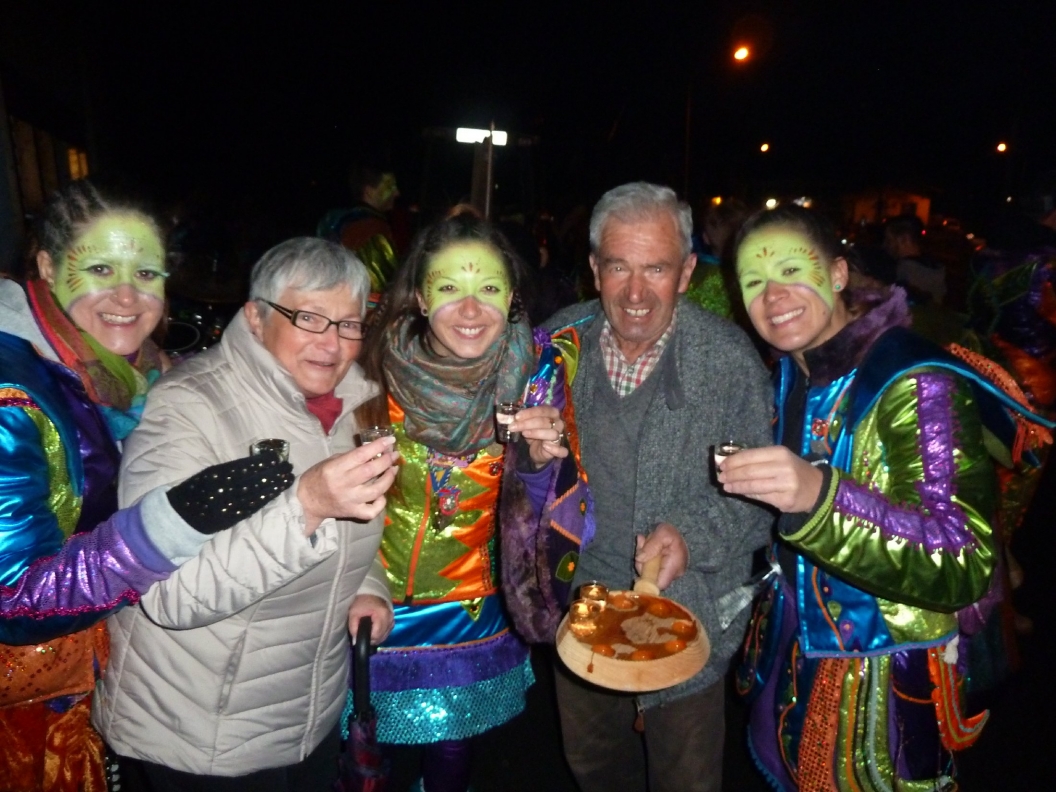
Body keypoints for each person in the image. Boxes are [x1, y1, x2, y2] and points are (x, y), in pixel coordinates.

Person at [724, 205, 1049, 790]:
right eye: (753, 282)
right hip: (792, 644)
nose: (773, 297)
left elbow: (962, 560)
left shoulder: (914, 380)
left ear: (838, 274)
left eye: (792, 270)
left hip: (879, 676)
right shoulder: (791, 370)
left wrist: (821, 500)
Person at [0, 180, 293, 791]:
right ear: (47, 266)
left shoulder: (132, 372)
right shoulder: (11, 395)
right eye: (100, 269)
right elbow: (14, 598)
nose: (128, 297)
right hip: (28, 720)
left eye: (147, 272)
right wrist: (170, 524)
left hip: (101, 685)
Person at [93, 238, 399, 789]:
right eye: (309, 318)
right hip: (198, 731)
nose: (332, 343)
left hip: (308, 714)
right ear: (256, 318)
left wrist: (368, 587)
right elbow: (167, 594)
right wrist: (306, 505)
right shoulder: (187, 407)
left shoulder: (356, 403)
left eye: (349, 324)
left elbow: (354, 527)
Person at [540, 182, 775, 792]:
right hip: (583, 605)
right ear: (595, 269)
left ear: (688, 272)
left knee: (685, 778)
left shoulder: (729, 362)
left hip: (686, 610)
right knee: (594, 766)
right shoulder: (557, 344)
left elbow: (758, 500)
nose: (636, 292)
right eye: (619, 266)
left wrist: (690, 535)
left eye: (657, 269)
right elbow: (514, 471)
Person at [353, 209, 568, 792]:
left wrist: (541, 467)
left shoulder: (539, 376)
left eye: (489, 289)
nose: (470, 310)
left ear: (513, 297)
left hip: (472, 610)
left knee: (452, 754)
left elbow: (561, 521)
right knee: (363, 759)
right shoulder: (368, 368)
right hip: (370, 602)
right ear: (421, 298)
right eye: (449, 288)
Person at [318, 160, 401, 303]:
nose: (397, 192)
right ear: (369, 191)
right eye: (389, 186)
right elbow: (387, 285)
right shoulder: (371, 228)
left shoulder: (334, 220)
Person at [885, 213, 947, 305]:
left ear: (904, 239)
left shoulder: (906, 269)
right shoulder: (936, 268)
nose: (886, 245)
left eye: (889, 240)